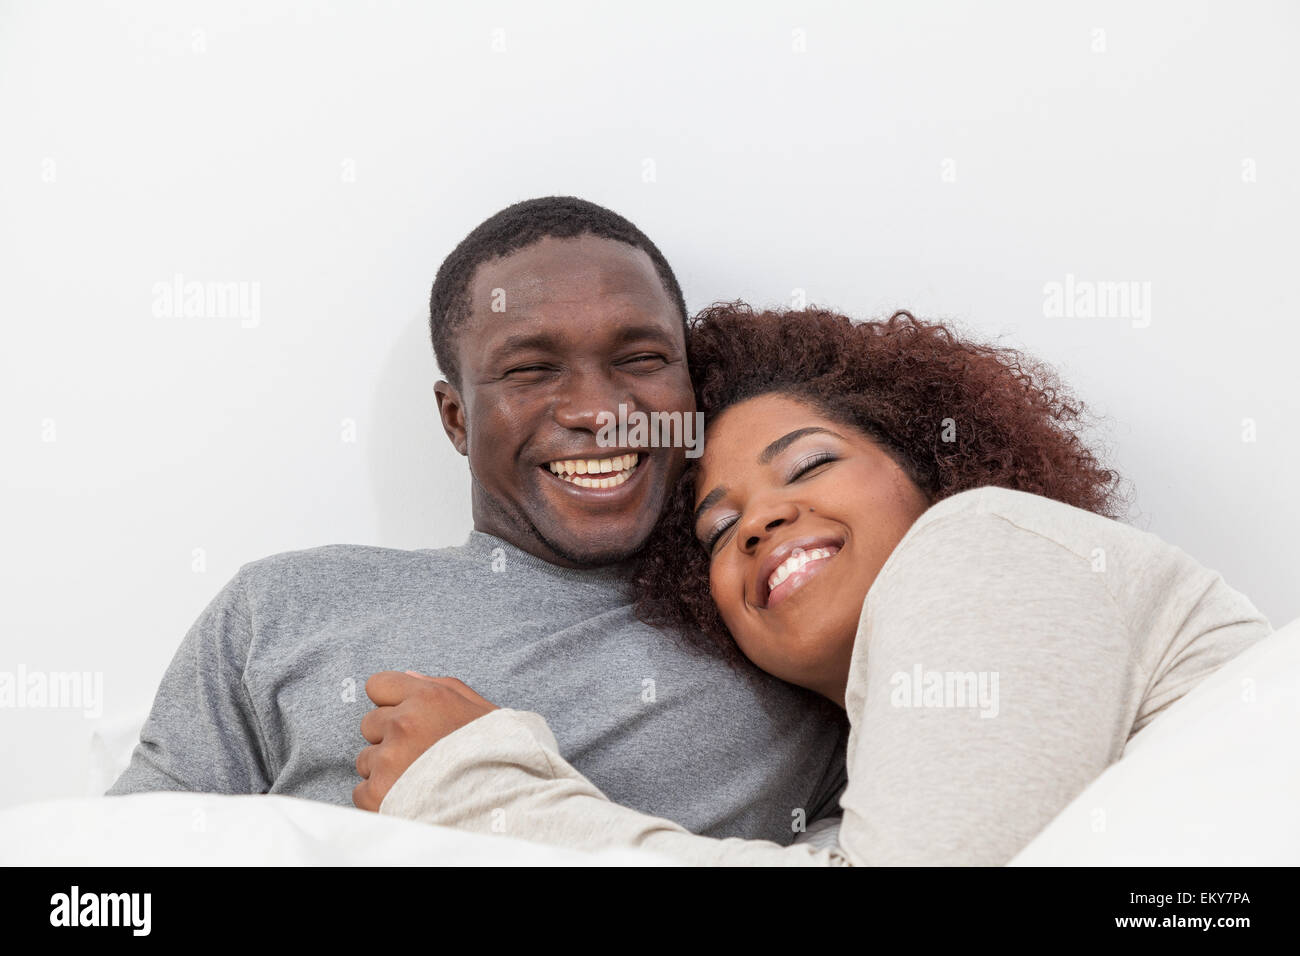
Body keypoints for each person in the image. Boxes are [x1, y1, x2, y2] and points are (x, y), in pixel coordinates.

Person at [366, 304, 1272, 865]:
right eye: (718, 529)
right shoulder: (880, 783)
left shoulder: (979, 541)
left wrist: (477, 788)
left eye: (808, 465)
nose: (758, 520)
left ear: (926, 471)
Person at [107, 201, 850, 845]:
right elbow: (108, 884)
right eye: (531, 370)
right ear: (456, 418)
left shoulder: (785, 611)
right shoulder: (281, 610)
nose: (598, 410)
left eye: (642, 358)